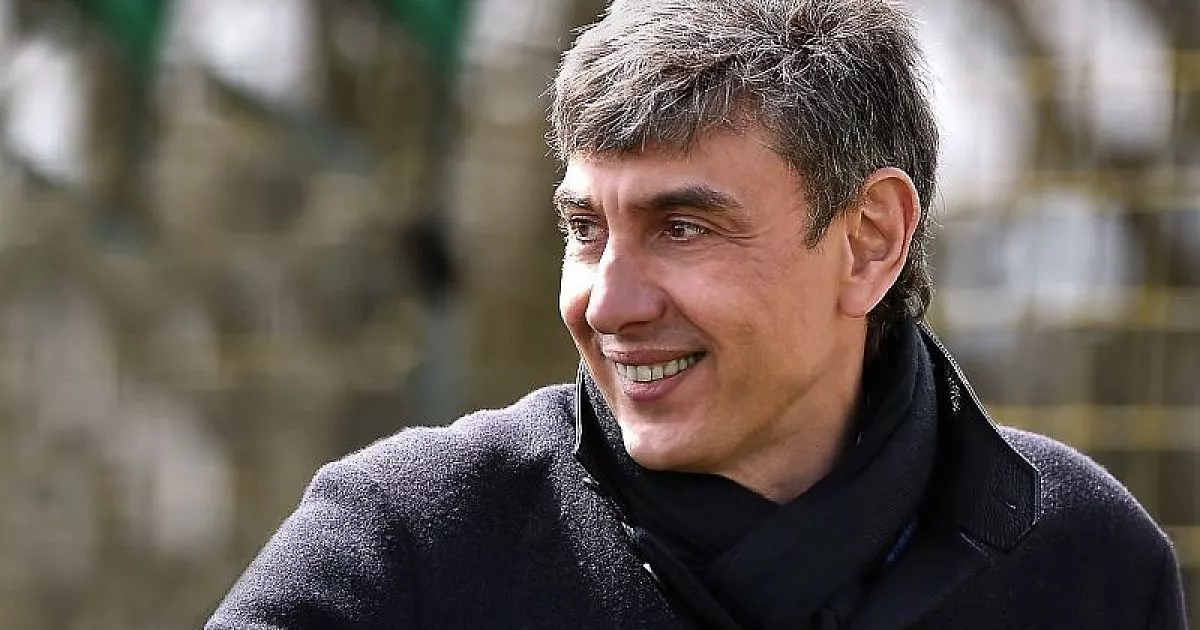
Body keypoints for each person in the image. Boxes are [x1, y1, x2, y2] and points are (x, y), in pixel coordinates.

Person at [207, 0, 1187, 628]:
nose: (608, 304)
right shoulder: (409, 546)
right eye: (586, 230)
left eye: (682, 227)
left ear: (869, 240)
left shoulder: (1084, 562)